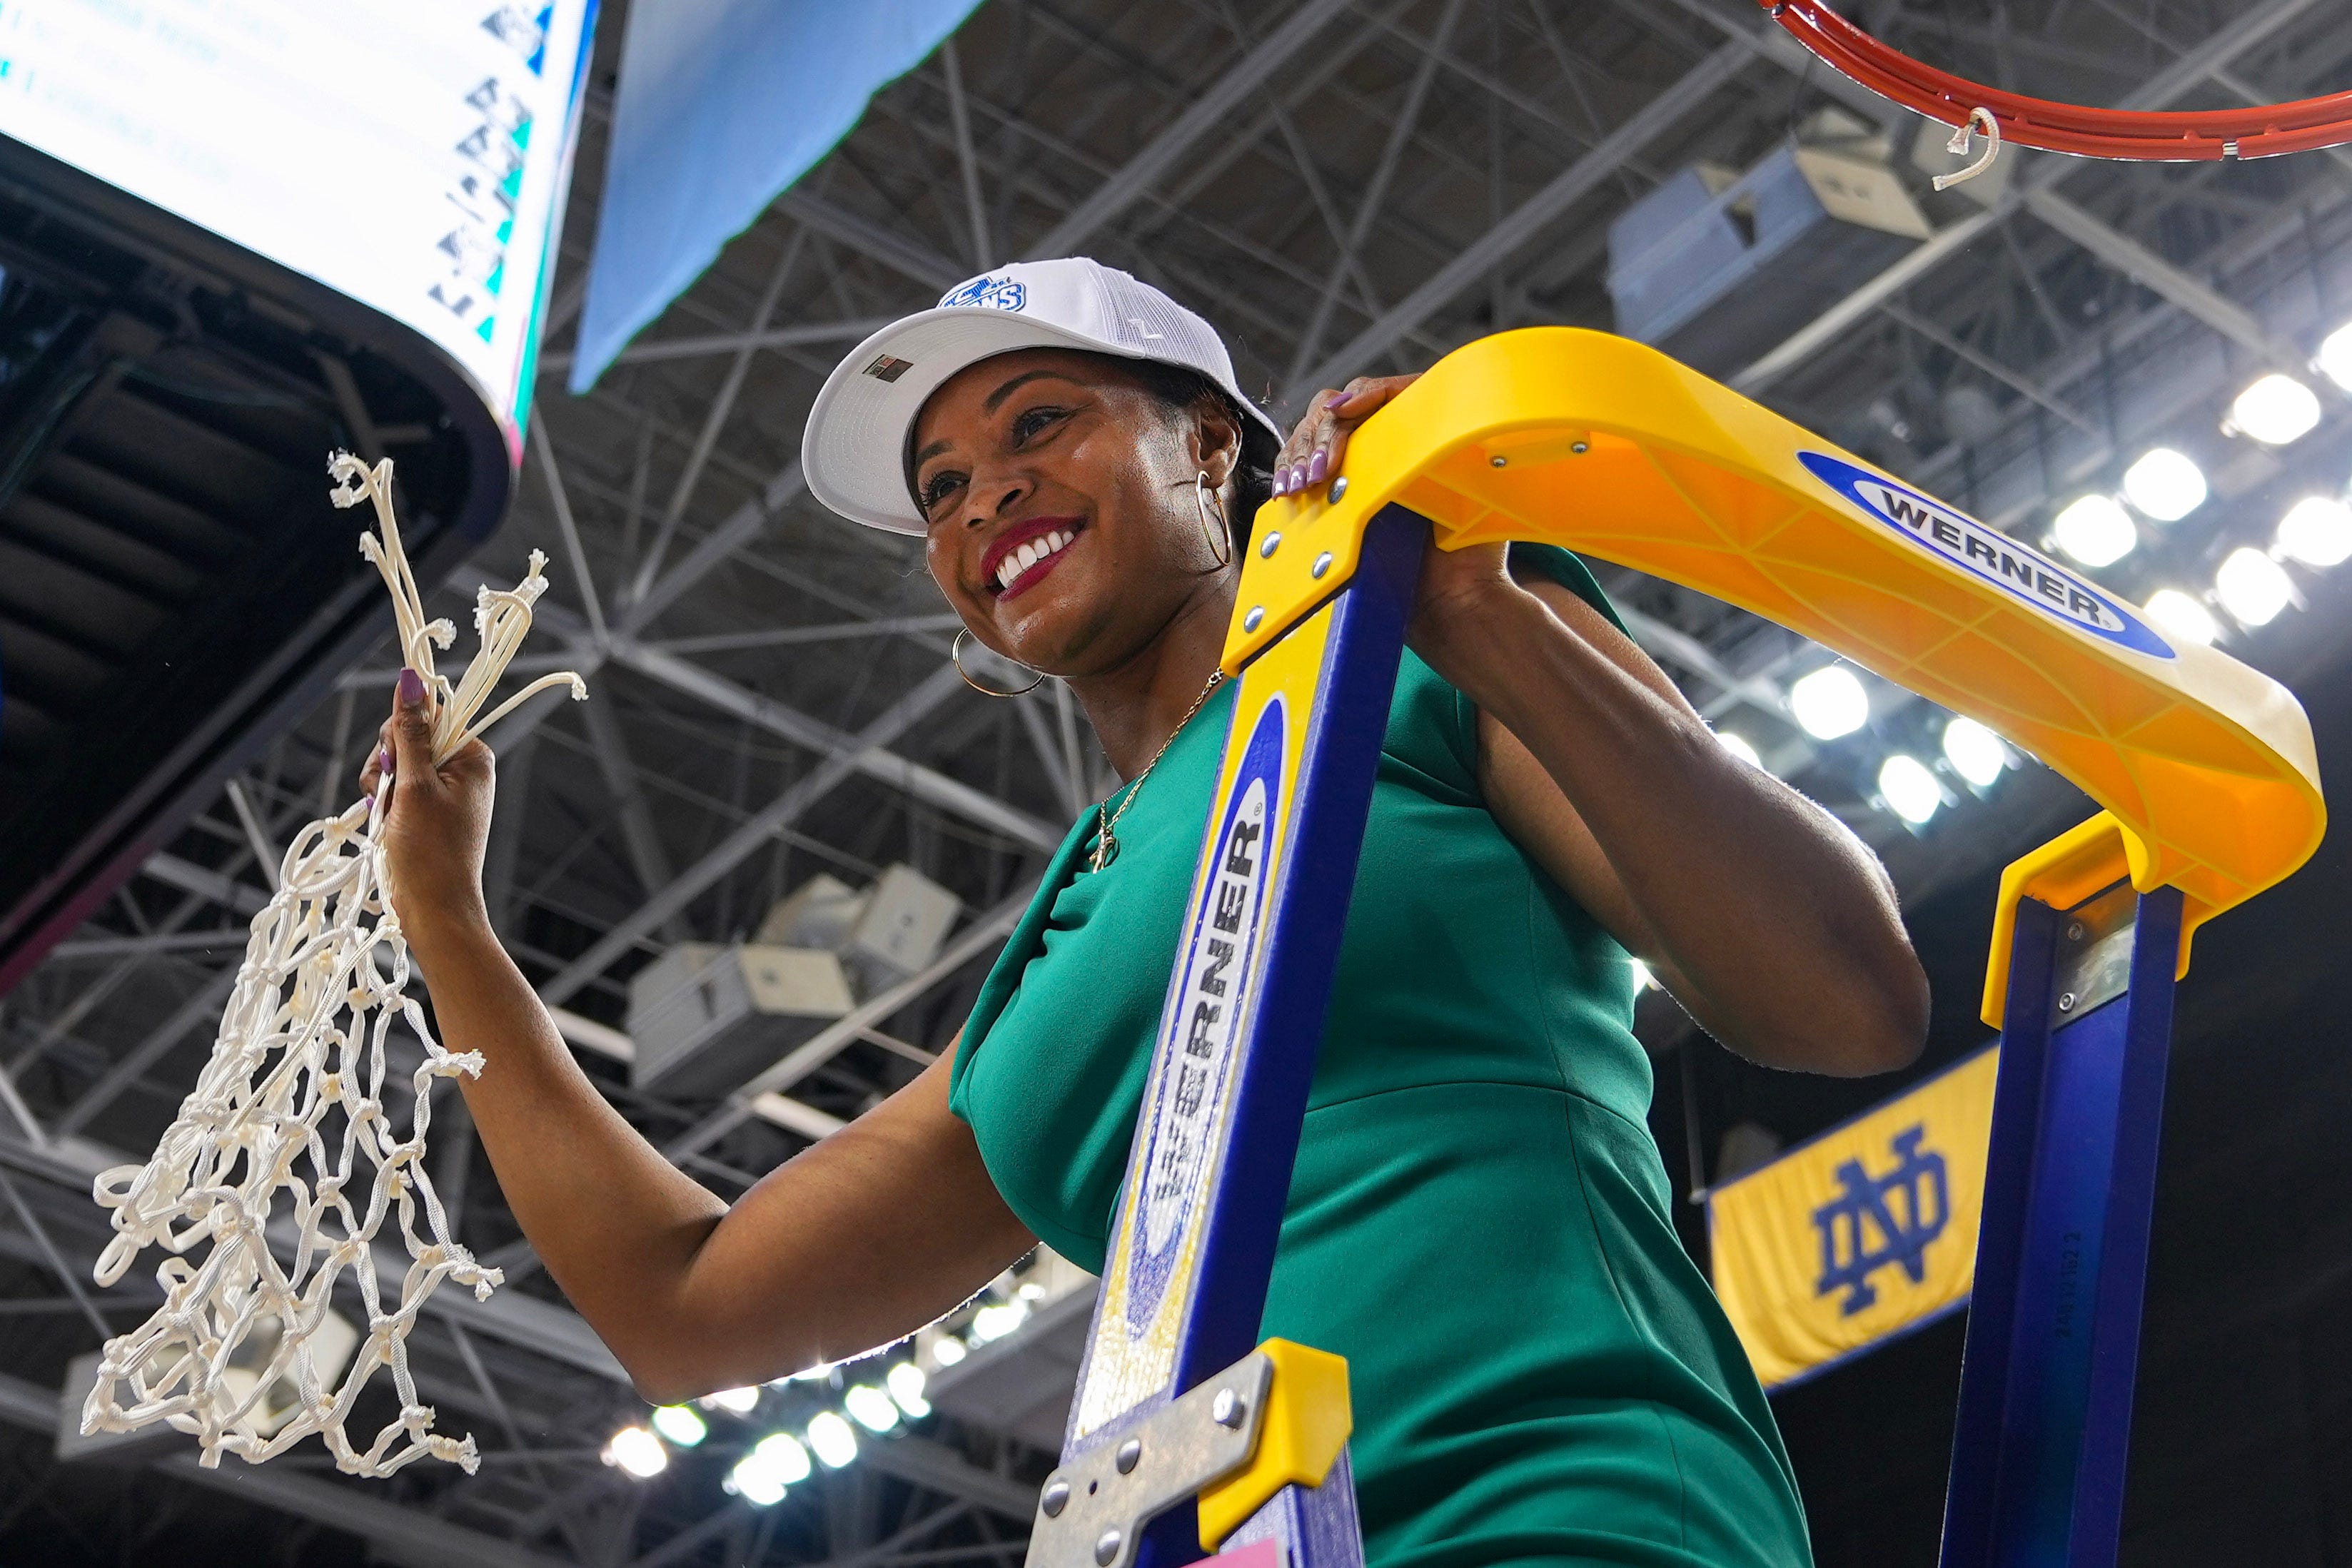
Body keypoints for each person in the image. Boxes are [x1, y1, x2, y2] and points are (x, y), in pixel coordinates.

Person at [364, 258, 1927, 1568]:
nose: (988, 497)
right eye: (942, 489)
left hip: (1552, 1499)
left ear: (1207, 445)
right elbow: (687, 1308)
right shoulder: (1053, 954)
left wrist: (1473, 611)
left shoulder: (1417, 634)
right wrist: (450, 924)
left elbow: (1841, 996)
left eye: (1041, 421)